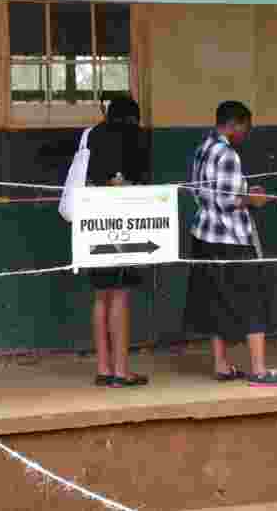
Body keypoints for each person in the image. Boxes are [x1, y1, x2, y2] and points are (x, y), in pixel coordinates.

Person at [184, 101, 277, 387]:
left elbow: (207, 191)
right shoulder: (228, 154)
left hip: (204, 233)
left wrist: (244, 191)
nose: (246, 134)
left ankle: (221, 365)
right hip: (231, 238)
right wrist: (254, 199)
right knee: (253, 300)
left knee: (216, 298)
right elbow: (228, 200)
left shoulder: (203, 147)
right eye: (245, 127)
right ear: (234, 124)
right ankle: (258, 370)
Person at [86, 95, 150, 388]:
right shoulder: (134, 136)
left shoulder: (92, 134)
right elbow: (140, 177)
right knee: (121, 294)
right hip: (124, 218)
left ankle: (103, 368)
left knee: (101, 294)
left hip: (94, 219)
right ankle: (121, 371)